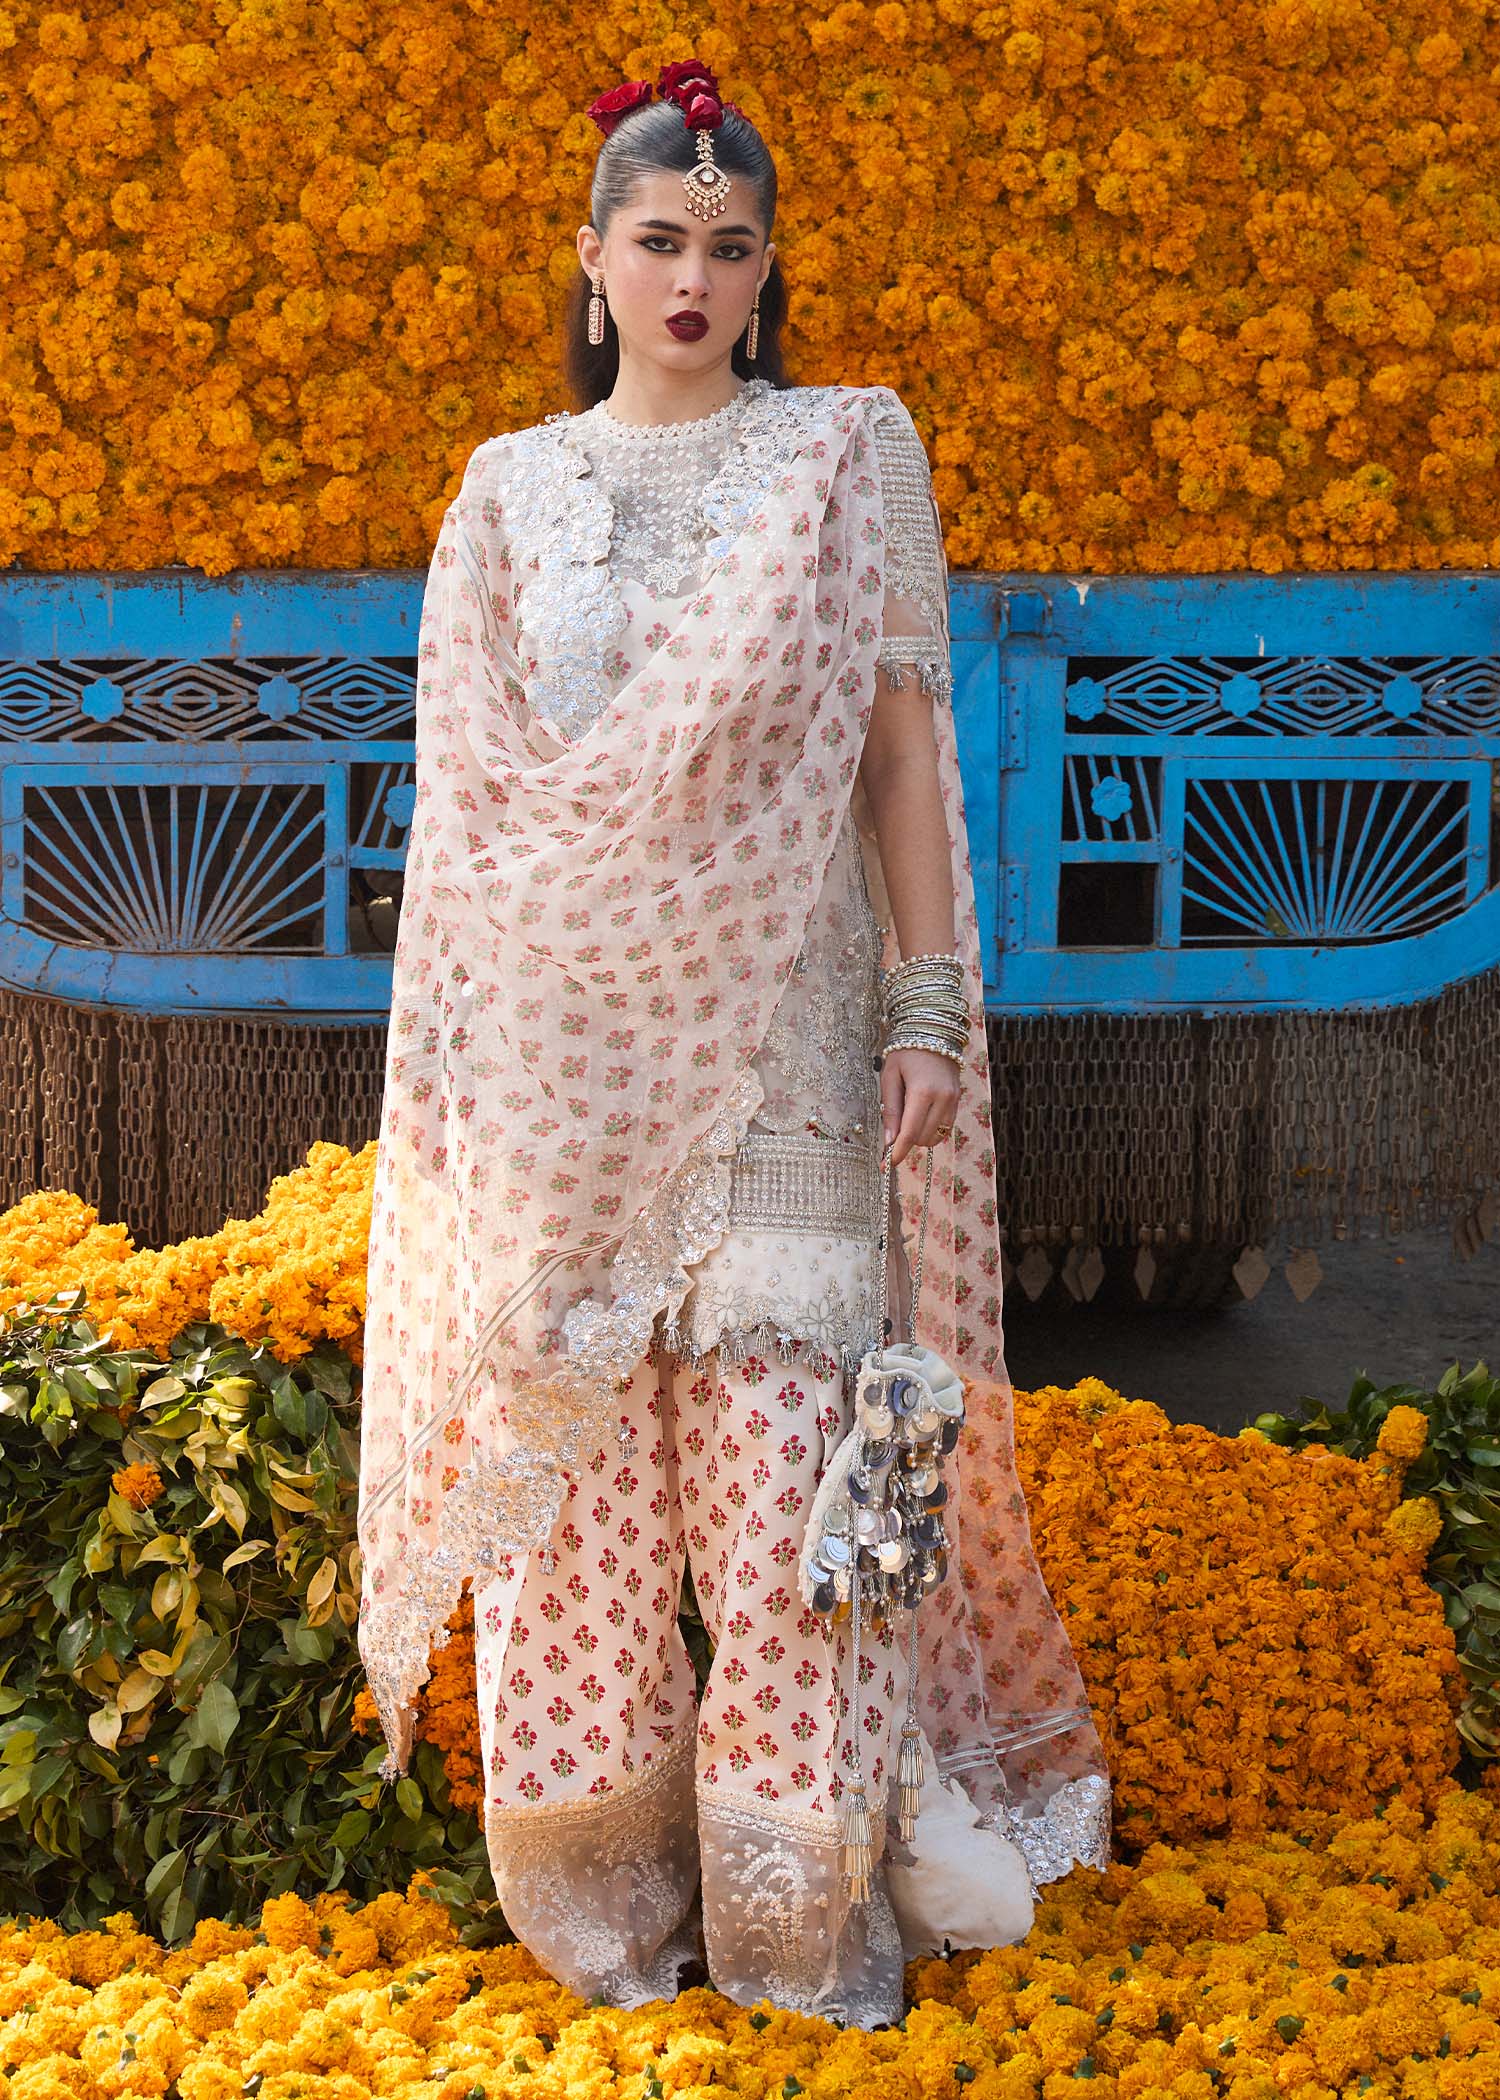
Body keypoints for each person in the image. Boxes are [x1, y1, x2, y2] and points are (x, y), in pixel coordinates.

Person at [357, 58, 1111, 2028]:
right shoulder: (513, 490)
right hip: (566, 1089)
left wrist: (931, 1010)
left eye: (732, 246)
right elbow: (476, 803)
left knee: (801, 1530)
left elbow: (894, 757)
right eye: (661, 239)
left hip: (792, 1063)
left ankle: (799, 1950)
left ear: (766, 274)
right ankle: (609, 1945)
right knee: (573, 1552)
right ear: (595, 263)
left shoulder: (841, 457)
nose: (695, 276)